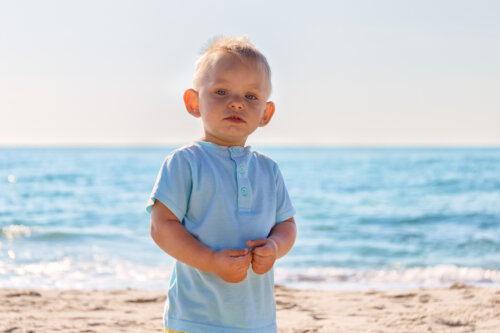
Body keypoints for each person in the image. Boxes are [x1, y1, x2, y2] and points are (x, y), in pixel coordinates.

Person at [147, 36, 296, 333]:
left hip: (256, 320)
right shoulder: (185, 162)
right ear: (194, 102)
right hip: (194, 318)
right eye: (221, 91)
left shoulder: (269, 170)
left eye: (251, 96)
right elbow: (161, 226)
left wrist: (276, 247)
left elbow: (287, 224)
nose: (237, 102)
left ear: (266, 113)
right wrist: (211, 260)